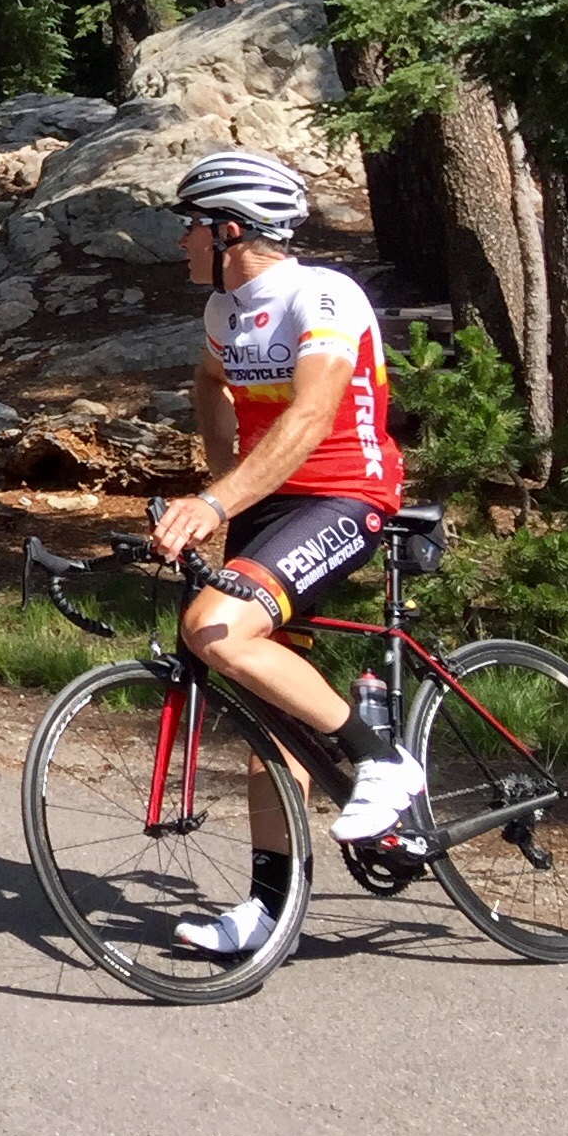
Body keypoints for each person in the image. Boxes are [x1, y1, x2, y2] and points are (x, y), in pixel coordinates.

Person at [150, 150, 424, 957]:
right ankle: (270, 913)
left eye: (191, 226)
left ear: (230, 230)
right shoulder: (223, 312)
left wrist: (213, 504)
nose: (182, 241)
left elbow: (309, 418)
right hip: (271, 504)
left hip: (345, 496)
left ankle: (381, 762)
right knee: (268, 714)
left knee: (215, 628)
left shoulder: (323, 295)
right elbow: (210, 383)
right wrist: (225, 483)